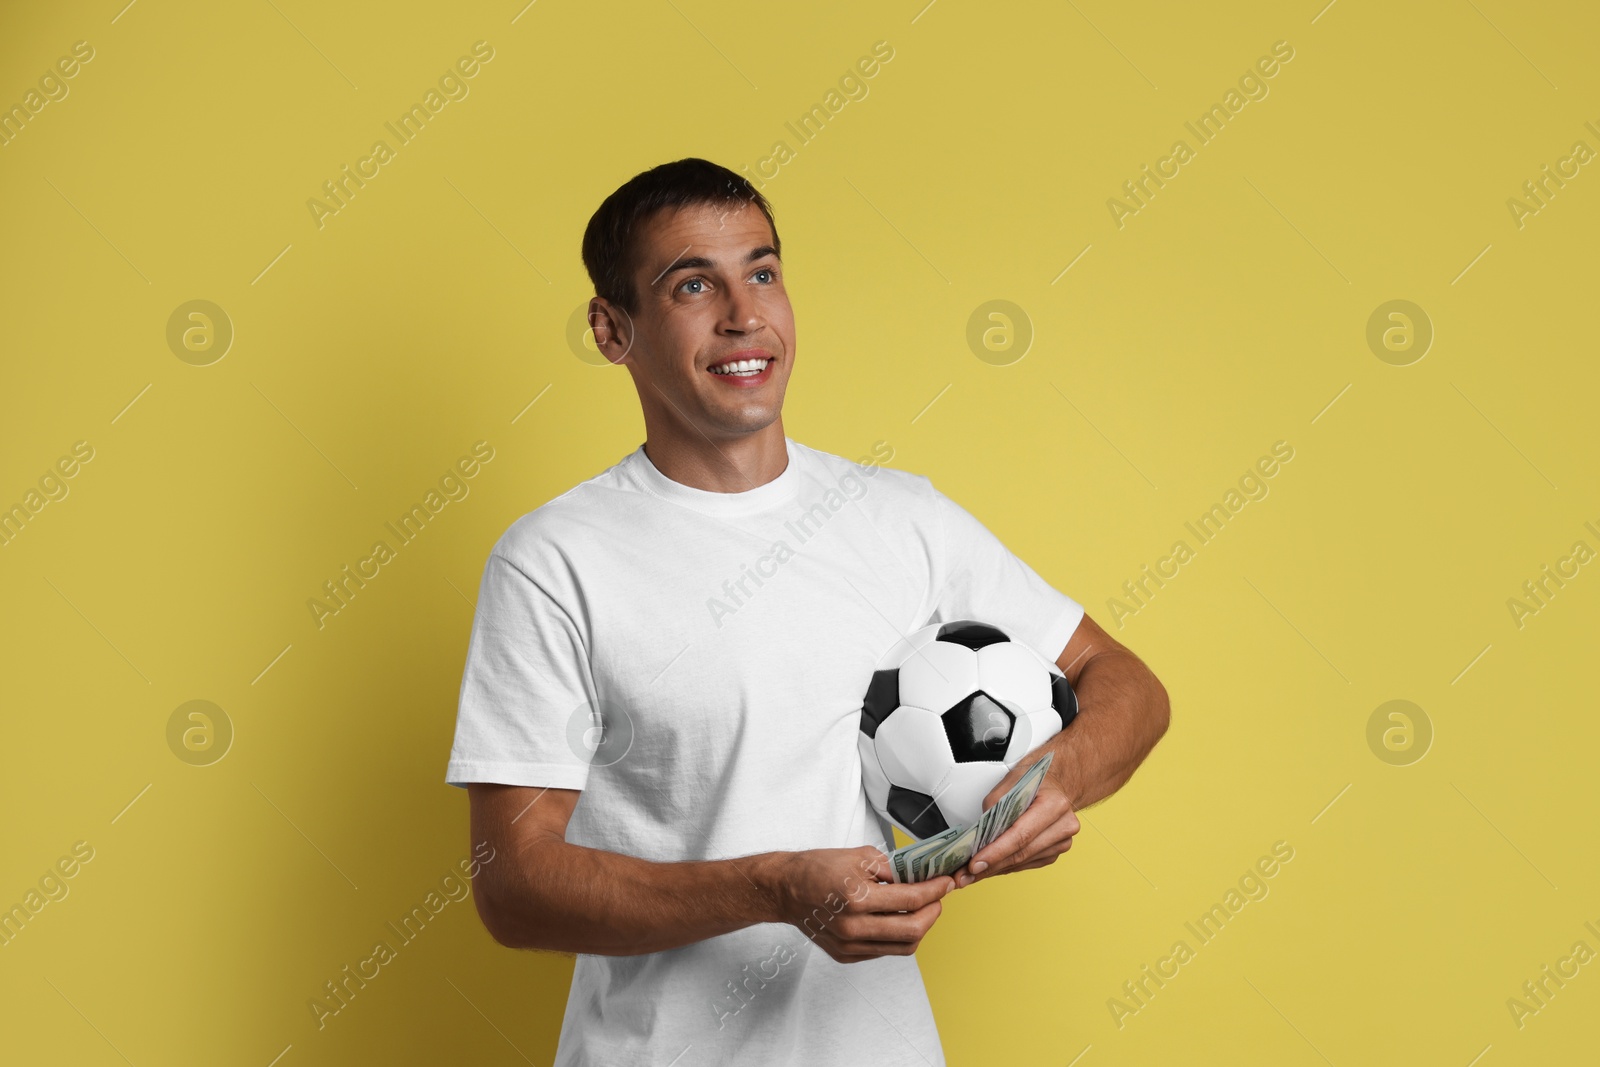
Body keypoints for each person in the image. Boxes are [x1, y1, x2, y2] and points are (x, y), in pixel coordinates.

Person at [444, 157, 1170, 1065]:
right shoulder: (554, 560)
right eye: (693, 284)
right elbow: (513, 887)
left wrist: (1059, 775)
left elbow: (1129, 685)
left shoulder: (904, 519)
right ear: (611, 329)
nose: (744, 315)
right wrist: (773, 887)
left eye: (762, 271)